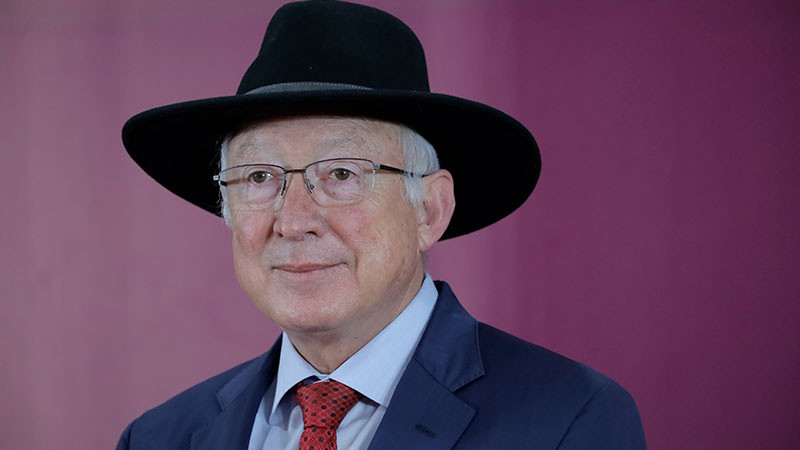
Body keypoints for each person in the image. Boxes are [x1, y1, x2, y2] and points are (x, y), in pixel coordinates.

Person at [116, 1, 647, 449]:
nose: (293, 221)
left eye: (342, 174)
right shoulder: (160, 437)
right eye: (259, 176)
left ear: (429, 210)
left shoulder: (567, 419)